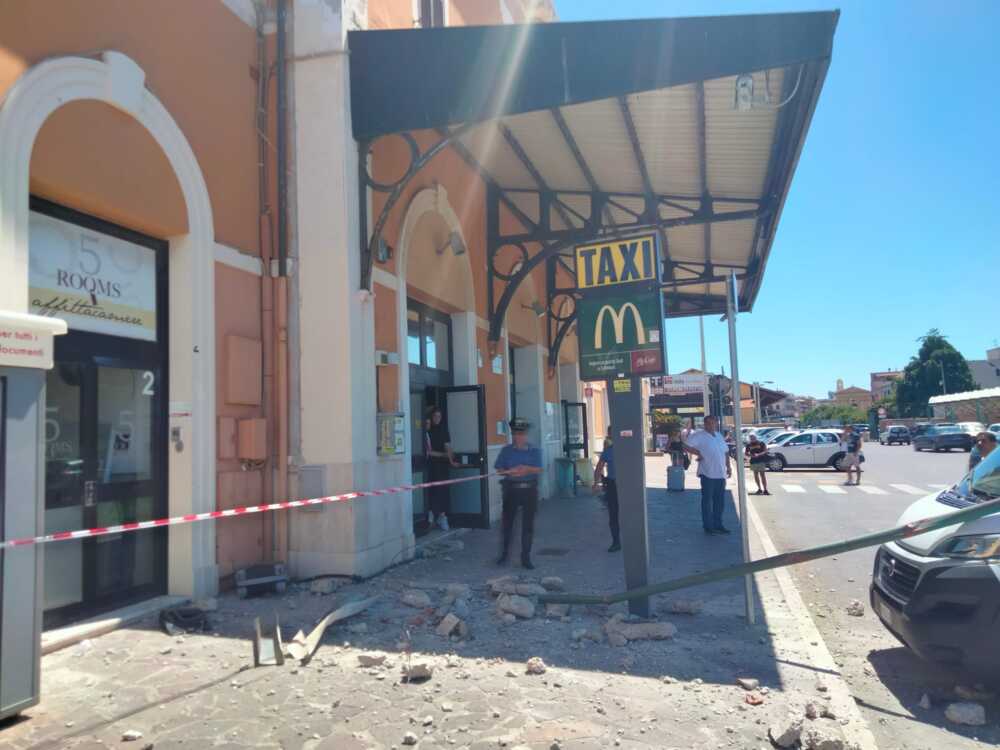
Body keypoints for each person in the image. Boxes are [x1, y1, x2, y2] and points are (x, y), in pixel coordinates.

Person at [494, 418, 544, 569]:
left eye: (521, 434)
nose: (518, 437)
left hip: (529, 490)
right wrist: (507, 472)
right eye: (515, 433)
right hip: (511, 490)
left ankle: (526, 558)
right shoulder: (506, 450)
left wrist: (525, 468)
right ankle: (504, 554)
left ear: (526, 435)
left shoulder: (535, 451)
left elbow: (539, 469)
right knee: (507, 524)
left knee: (528, 525)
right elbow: (499, 468)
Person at [682, 415, 733, 535]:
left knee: (719, 501)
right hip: (707, 473)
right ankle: (708, 526)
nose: (711, 425)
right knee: (707, 501)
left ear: (716, 423)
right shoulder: (699, 435)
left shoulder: (719, 435)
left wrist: (729, 466)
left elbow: (726, 452)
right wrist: (698, 452)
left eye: (713, 423)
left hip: (720, 474)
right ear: (704, 424)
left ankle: (718, 525)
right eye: (708, 423)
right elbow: (685, 446)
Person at [425, 406, 458, 531]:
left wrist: (451, 460)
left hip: (442, 465)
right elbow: (428, 451)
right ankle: (431, 517)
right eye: (435, 416)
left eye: (439, 416)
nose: (437, 419)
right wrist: (444, 455)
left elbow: (447, 446)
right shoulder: (427, 431)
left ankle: (442, 517)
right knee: (431, 491)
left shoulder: (443, 429)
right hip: (430, 466)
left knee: (443, 490)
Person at [593, 430, 621, 553]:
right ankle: (628, 540)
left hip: (613, 485)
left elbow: (599, 467)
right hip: (627, 486)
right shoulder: (629, 449)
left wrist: (595, 483)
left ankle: (616, 542)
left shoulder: (609, 450)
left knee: (614, 514)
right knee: (628, 513)